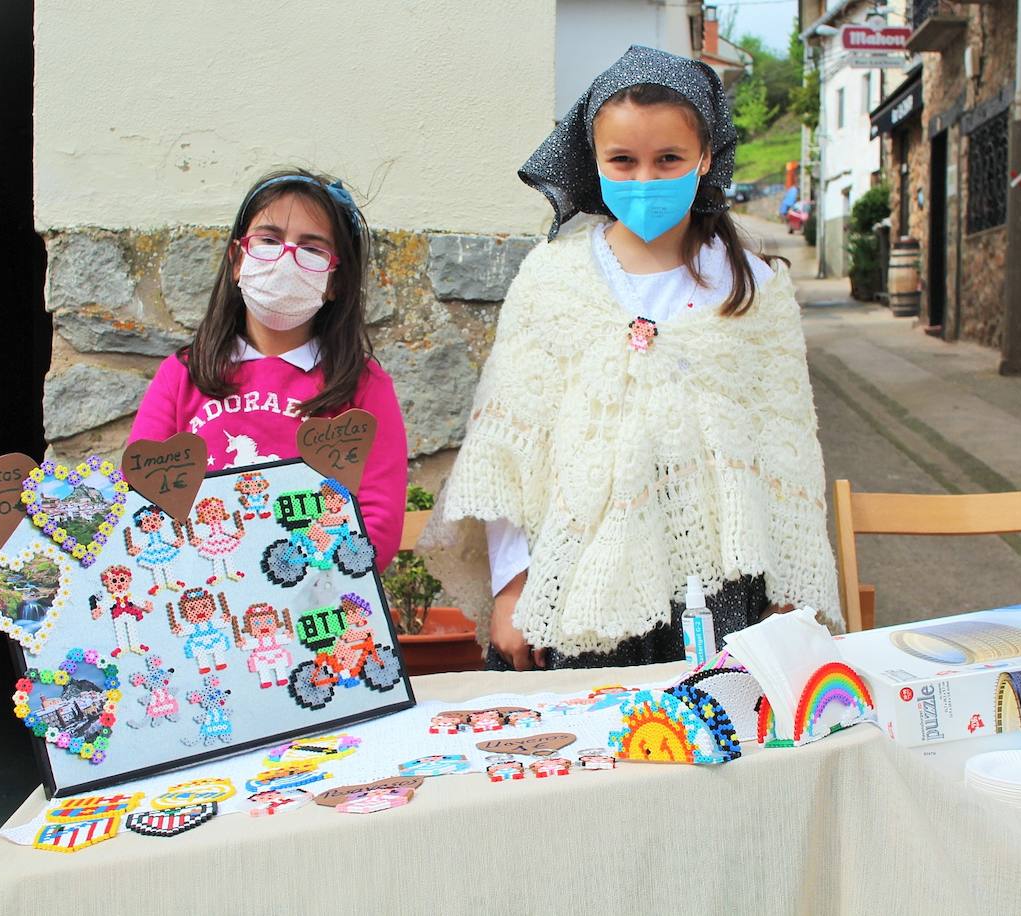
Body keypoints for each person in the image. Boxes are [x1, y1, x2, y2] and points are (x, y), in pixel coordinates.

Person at [437, 46, 840, 671]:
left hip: (717, 595)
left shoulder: (749, 287)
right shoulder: (554, 278)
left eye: (669, 160)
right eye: (622, 161)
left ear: (704, 159)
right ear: (592, 162)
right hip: (569, 587)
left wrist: (789, 593)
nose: (645, 180)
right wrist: (513, 588)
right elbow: (509, 446)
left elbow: (787, 447)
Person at [129, 169, 408, 572]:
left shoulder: (363, 387)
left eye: (312, 249)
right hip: (205, 593)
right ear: (237, 259)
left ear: (335, 281)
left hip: (315, 603)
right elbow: (142, 491)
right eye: (268, 240)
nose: (286, 258)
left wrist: (300, 579)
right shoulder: (183, 374)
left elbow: (377, 522)